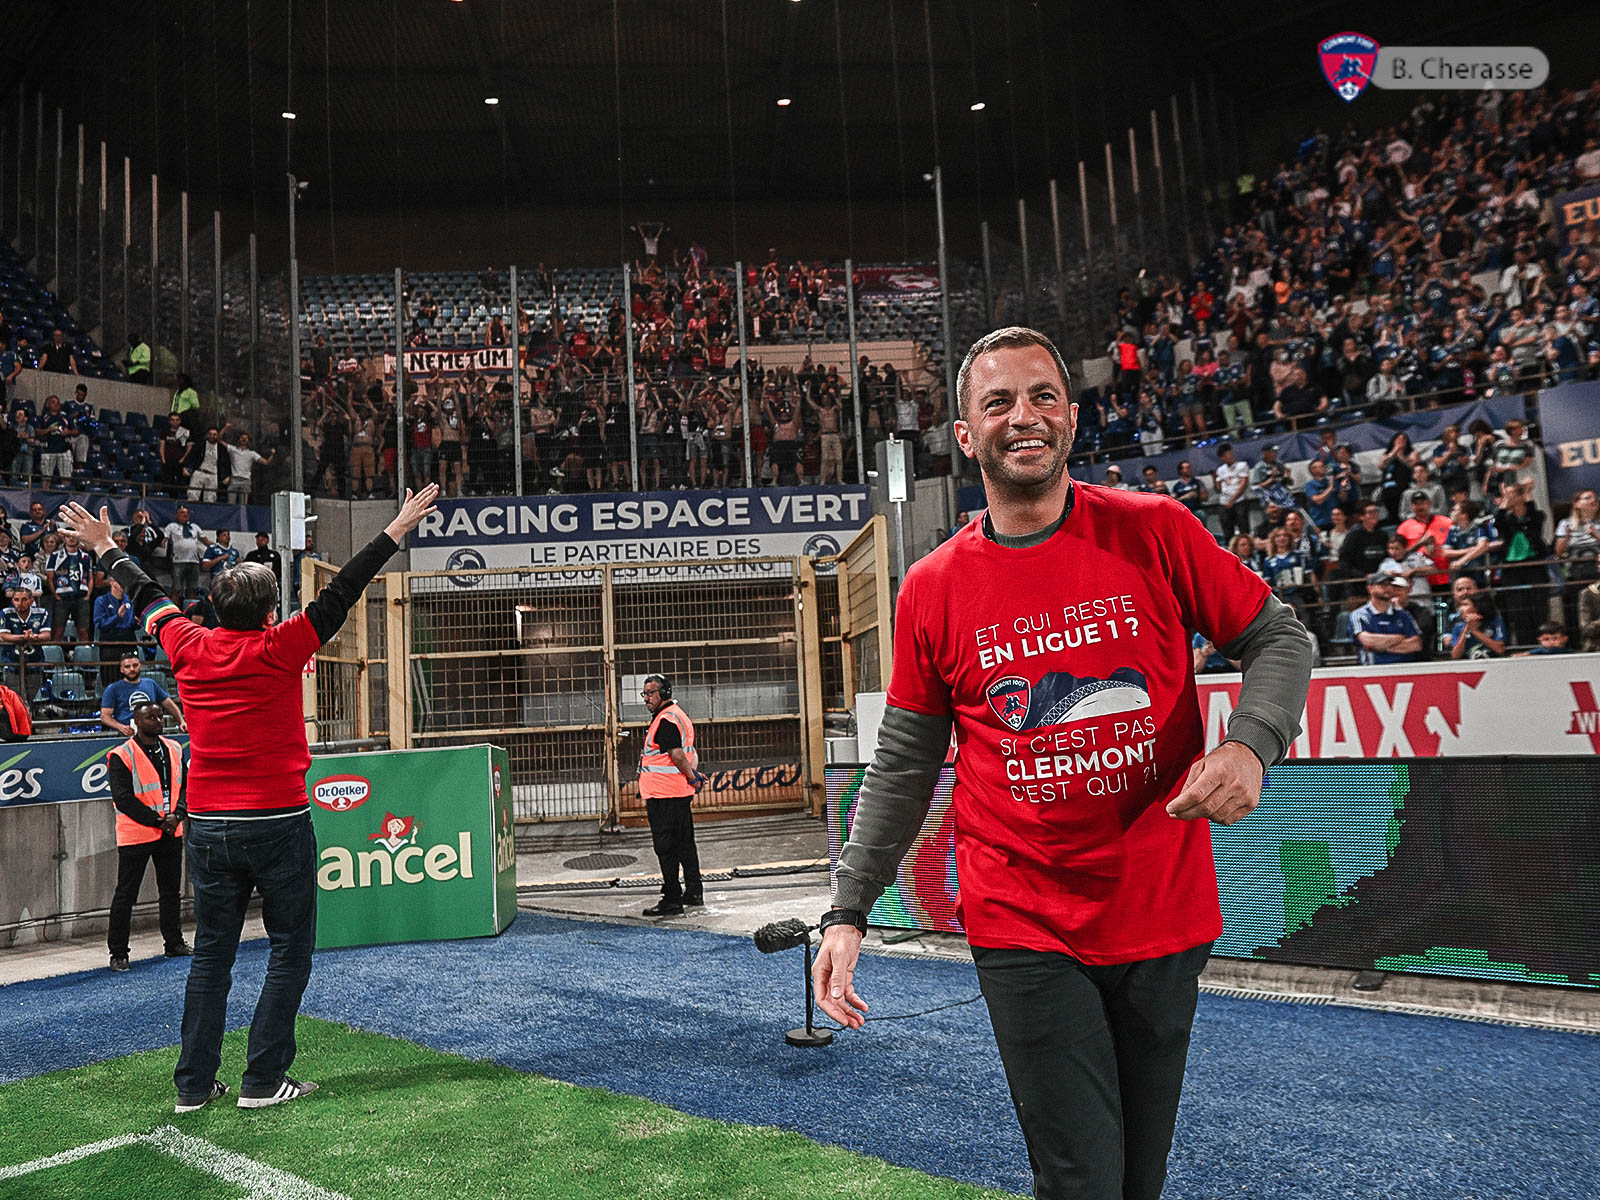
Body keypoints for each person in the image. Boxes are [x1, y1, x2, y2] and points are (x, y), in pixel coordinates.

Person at [815, 328, 1313, 1200]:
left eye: (1043, 396)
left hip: (1161, 905)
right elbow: (902, 765)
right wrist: (848, 908)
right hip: (1023, 917)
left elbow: (1278, 635)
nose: (1025, 417)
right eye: (998, 402)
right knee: (1082, 1177)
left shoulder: (1154, 531)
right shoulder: (932, 585)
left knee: (1137, 1181)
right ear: (966, 435)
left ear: (1072, 417)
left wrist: (1249, 742)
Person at [59, 483, 440, 1114]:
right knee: (290, 945)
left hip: (208, 824)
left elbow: (149, 593)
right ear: (270, 615)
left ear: (212, 607)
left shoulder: (187, 644)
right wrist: (396, 526)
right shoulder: (282, 647)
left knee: (212, 953)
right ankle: (262, 1079)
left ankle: (193, 1086)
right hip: (278, 819)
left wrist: (105, 546)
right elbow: (345, 587)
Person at [105, 698, 190, 972]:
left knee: (170, 892)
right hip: (137, 834)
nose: (158, 720)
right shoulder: (121, 755)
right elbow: (123, 799)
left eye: (159, 716)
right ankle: (118, 953)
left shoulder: (175, 749)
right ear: (137, 722)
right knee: (126, 895)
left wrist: (178, 814)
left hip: (171, 829)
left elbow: (186, 786)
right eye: (151, 717)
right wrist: (158, 820)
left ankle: (174, 943)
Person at [638, 673, 705, 917]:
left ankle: (672, 899)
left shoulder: (665, 720)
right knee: (685, 844)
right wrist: (693, 776)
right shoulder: (679, 715)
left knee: (666, 848)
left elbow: (678, 755)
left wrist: (691, 776)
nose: (646, 698)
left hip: (663, 795)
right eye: (644, 693)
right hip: (679, 794)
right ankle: (694, 891)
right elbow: (691, 752)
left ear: (664, 694)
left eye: (651, 693)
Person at [100, 652, 185, 737]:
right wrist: (120, 727)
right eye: (127, 667)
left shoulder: (151, 684)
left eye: (135, 665)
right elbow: (105, 716)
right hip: (128, 732)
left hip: (152, 732)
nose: (132, 669)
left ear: (140, 665)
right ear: (121, 669)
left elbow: (169, 704)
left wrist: (182, 721)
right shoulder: (113, 689)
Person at [1349, 573, 1423, 666]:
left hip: (1404, 668)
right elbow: (1368, 641)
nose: (1387, 588)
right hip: (1372, 670)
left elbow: (1416, 645)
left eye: (1389, 585)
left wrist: (1380, 648)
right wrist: (1399, 638)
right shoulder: (1360, 615)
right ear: (1370, 588)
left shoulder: (1403, 614)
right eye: (1382, 584)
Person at [164, 506, 207, 601]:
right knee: (176, 589)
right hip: (178, 561)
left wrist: (217, 546)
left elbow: (206, 541)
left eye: (187, 512)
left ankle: (191, 610)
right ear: (177, 515)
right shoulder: (171, 526)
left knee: (192, 589)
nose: (185, 514)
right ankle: (175, 611)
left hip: (194, 561)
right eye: (182, 512)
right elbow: (164, 539)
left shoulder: (194, 527)